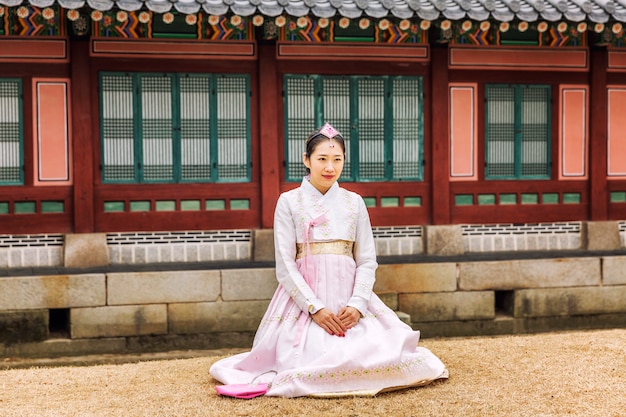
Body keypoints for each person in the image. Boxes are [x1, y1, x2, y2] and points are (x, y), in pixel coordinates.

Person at [210, 123, 448, 397]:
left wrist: (357, 304)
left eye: (337, 160)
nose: (329, 167)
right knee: (306, 357)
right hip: (305, 300)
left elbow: (367, 260)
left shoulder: (354, 202)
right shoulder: (289, 202)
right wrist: (315, 308)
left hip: (349, 297)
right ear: (306, 160)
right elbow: (286, 266)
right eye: (322, 159)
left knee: (380, 354)